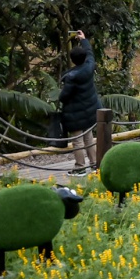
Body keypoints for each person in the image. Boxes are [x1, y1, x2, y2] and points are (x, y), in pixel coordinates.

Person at [58, 31, 100, 173]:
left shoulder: (72, 76)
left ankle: (80, 168)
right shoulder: (89, 66)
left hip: (75, 114)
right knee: (88, 138)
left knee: (77, 141)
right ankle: (94, 164)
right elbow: (89, 52)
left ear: (72, 60)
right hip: (89, 110)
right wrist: (83, 39)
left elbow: (63, 97)